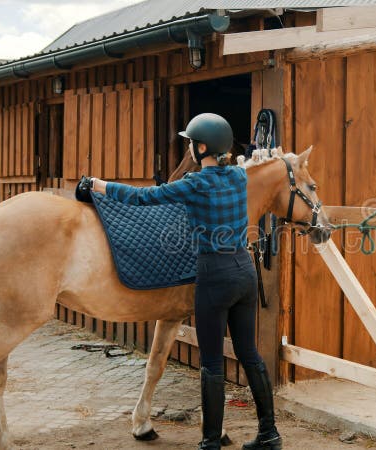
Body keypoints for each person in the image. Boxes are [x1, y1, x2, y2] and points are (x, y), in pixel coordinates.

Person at [89, 113, 282, 450]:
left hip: (214, 276)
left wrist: (97, 185)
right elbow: (250, 165)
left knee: (210, 363)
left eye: (191, 143)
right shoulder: (238, 176)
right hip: (245, 272)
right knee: (250, 354)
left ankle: (209, 443)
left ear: (201, 147)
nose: (189, 148)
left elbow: (142, 199)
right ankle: (269, 434)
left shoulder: (194, 185)